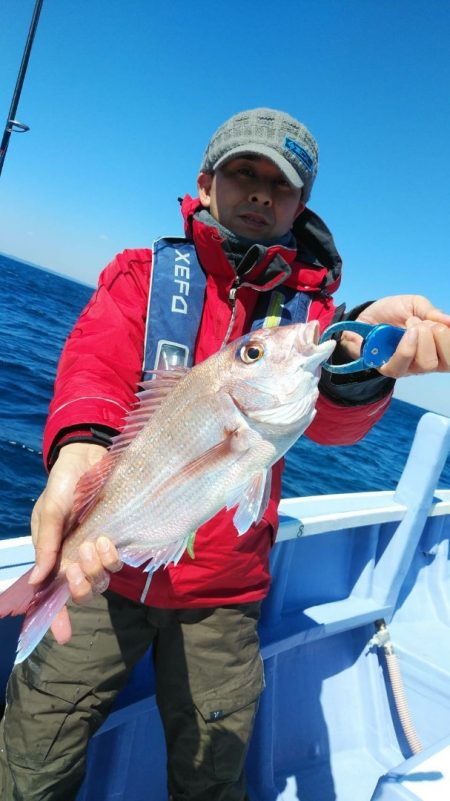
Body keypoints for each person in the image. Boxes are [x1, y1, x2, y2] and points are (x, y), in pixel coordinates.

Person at [0, 108, 449, 801]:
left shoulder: (310, 319)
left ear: (301, 206)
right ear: (207, 185)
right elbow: (92, 371)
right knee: (33, 757)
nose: (261, 192)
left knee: (213, 775)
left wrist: (364, 362)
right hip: (107, 573)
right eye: (244, 172)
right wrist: (77, 457)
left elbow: (330, 418)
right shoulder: (144, 276)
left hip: (223, 593)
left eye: (282, 184)